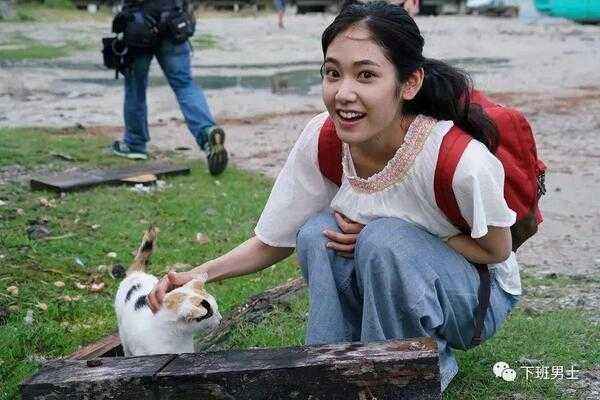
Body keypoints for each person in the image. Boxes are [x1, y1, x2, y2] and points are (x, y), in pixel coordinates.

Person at [148, 1, 520, 391]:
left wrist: (406, 235)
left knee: (383, 239)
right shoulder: (323, 138)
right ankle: (327, 369)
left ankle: (407, 376)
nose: (343, 93)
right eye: (332, 73)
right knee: (316, 233)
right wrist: (197, 275)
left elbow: (495, 250)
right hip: (397, 271)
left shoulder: (458, 160)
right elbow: (271, 241)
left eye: (366, 75)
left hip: (476, 300)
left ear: (409, 83)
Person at [111, 0, 228, 176]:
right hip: (173, 23)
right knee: (184, 84)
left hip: (138, 26)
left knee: (135, 88)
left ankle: (135, 144)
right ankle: (206, 132)